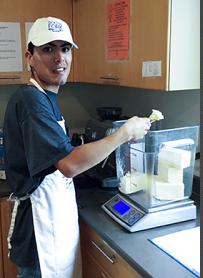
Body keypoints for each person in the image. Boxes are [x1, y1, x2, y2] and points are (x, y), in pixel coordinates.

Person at [3, 17, 151, 278]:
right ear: (29, 56)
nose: (59, 58)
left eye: (65, 48)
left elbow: (60, 156)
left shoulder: (45, 96)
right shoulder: (30, 100)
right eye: (48, 49)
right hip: (40, 230)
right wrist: (124, 133)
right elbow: (69, 164)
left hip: (52, 219)